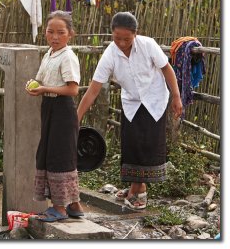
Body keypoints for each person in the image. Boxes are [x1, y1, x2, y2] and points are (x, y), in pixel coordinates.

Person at [77, 12, 183, 210]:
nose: (122, 43)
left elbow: (167, 69)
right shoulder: (110, 54)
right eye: (117, 38)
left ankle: (139, 190)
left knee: (149, 145)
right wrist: (77, 117)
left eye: (127, 39)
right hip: (132, 102)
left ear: (136, 34)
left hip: (154, 99)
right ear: (111, 35)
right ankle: (134, 188)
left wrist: (176, 97)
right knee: (132, 145)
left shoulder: (148, 45)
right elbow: (93, 90)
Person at [25, 10, 84, 221]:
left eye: (60, 32)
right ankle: (75, 206)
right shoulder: (49, 54)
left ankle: (59, 209)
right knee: (50, 154)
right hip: (49, 108)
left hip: (63, 110)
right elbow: (40, 80)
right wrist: (33, 86)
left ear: (70, 34)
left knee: (59, 156)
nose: (55, 37)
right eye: (50, 32)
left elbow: (73, 89)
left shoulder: (68, 56)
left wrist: (44, 89)